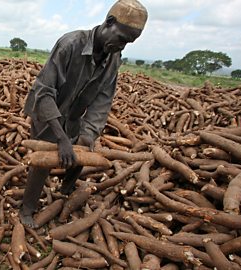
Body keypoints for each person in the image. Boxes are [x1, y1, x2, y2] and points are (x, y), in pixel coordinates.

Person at [19, 0, 148, 228]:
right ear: (109, 22)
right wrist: (60, 138)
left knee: (81, 153)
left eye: (129, 43)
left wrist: (89, 133)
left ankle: (65, 192)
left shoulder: (113, 58)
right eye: (121, 39)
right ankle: (27, 209)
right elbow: (44, 91)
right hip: (48, 112)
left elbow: (103, 99)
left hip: (75, 116)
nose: (122, 47)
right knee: (42, 164)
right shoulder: (70, 44)